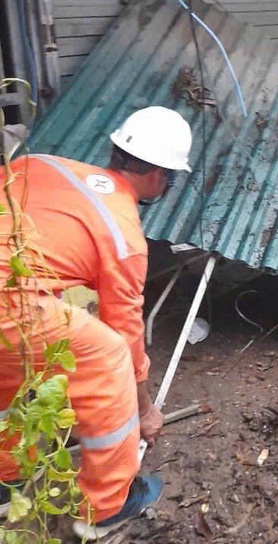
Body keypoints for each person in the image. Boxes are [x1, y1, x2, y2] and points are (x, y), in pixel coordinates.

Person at [0, 106, 193, 540]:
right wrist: (144, 410)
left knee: (8, 362)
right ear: (160, 177)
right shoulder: (123, 232)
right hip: (9, 298)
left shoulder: (40, 163)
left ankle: (5, 475)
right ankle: (106, 506)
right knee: (107, 357)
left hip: (10, 296)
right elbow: (125, 333)